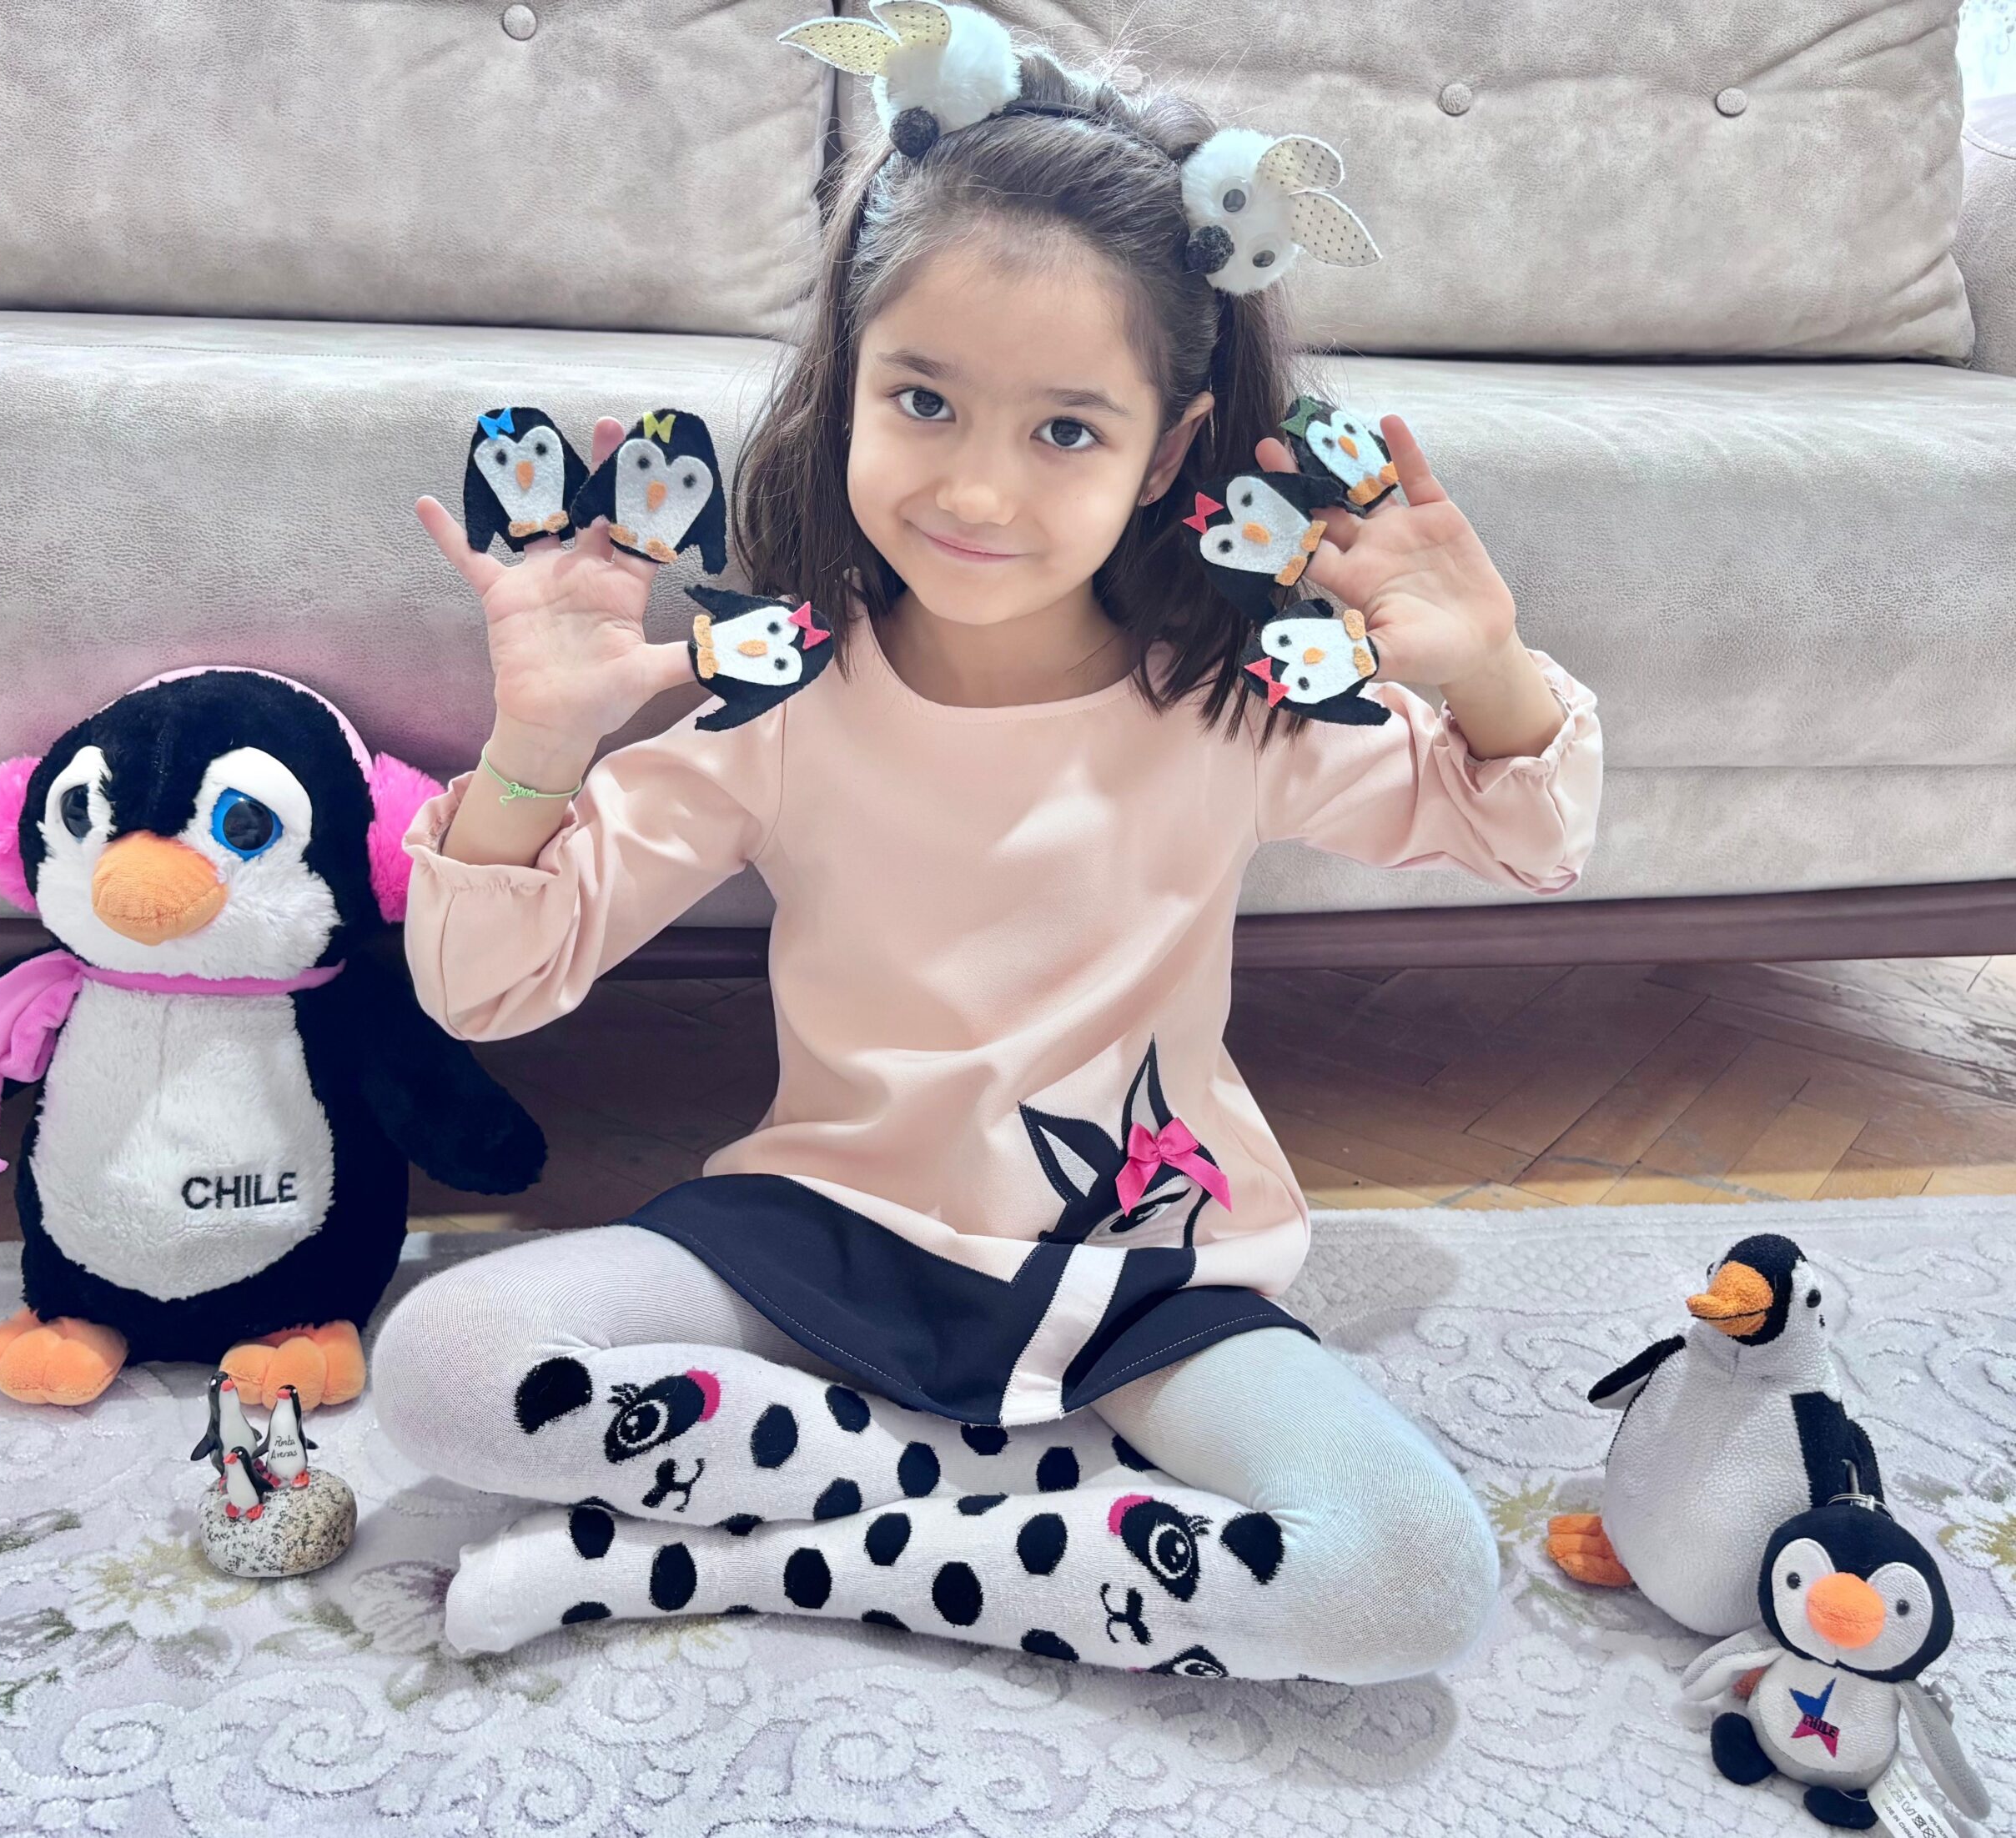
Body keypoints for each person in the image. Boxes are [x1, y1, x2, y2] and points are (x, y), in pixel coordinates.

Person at [370, 12, 1602, 1685]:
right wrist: (536, 744)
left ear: (1169, 451)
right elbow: (481, 989)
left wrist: (1486, 669)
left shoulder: (1230, 705)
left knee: (1411, 1579)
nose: (975, 491)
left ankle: (706, 1557)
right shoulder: (780, 700)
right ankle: (1006, 1525)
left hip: (1142, 1277)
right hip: (816, 1231)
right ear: (850, 380)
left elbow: (1531, 835)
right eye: (924, 400)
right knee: (445, 1362)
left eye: (1065, 431)